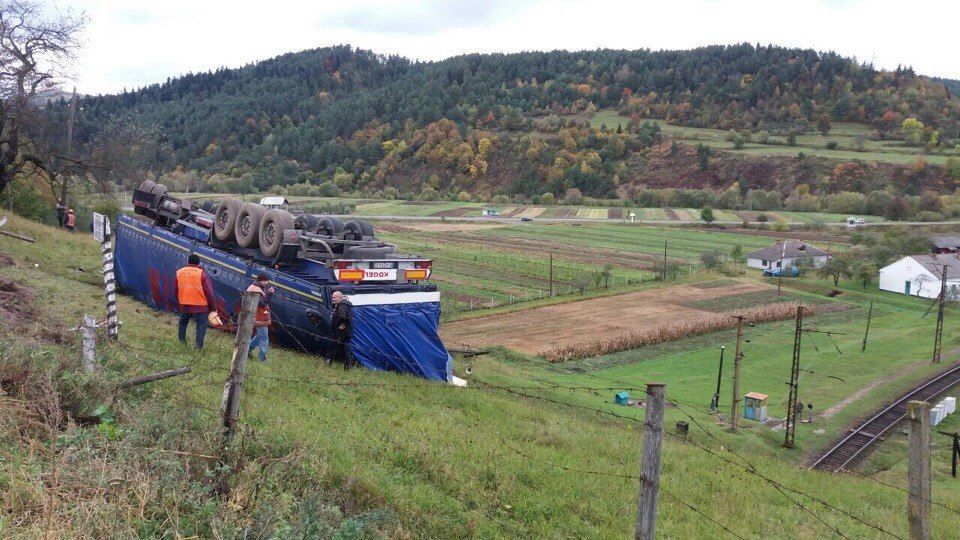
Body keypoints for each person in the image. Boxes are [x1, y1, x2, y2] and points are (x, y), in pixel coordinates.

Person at [174, 254, 215, 349]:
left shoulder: (179, 272)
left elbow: (176, 290)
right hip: (201, 306)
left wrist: (180, 301)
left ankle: (181, 342)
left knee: (183, 323)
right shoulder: (201, 273)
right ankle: (198, 347)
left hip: (185, 304)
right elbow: (209, 292)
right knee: (201, 326)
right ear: (198, 262)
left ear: (188, 261)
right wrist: (213, 307)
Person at [246, 274, 274, 362]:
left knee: (259, 336)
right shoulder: (256, 290)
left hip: (258, 316)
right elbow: (261, 304)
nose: (267, 283)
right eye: (265, 281)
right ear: (260, 281)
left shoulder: (256, 287)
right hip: (258, 316)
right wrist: (269, 294)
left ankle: (246, 352)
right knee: (264, 338)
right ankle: (262, 358)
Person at [328, 290, 355, 369]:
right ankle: (347, 366)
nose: (333, 299)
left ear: (340, 298)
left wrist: (339, 325)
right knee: (344, 347)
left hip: (342, 331)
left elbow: (342, 316)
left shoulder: (342, 306)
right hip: (346, 331)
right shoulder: (343, 306)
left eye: (335, 297)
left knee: (333, 346)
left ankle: (328, 362)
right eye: (332, 297)